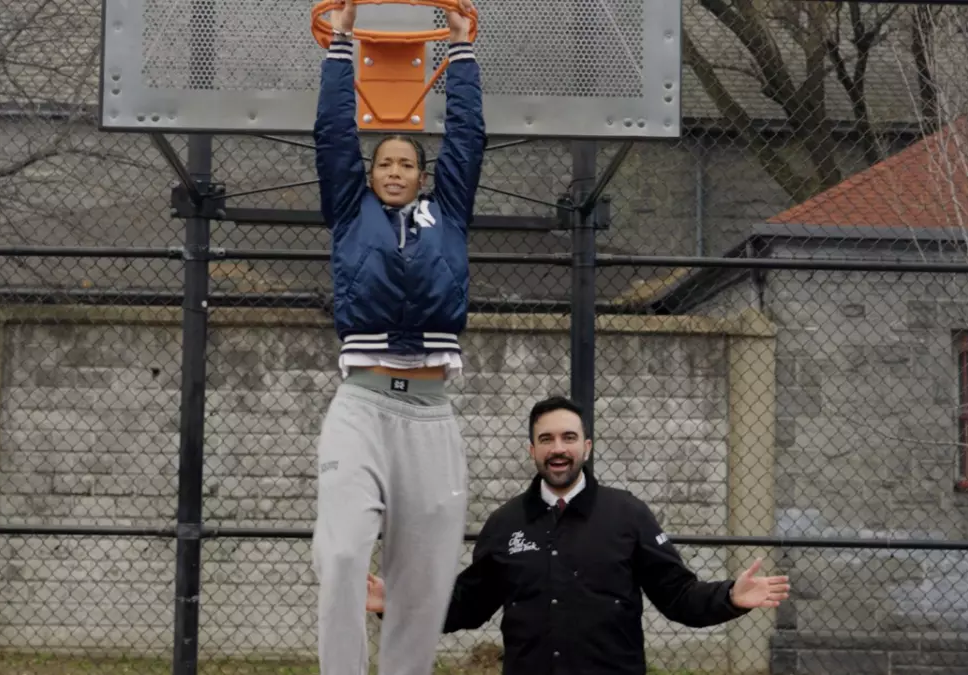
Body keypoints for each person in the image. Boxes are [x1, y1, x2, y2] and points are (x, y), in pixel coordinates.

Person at [365, 396, 791, 675]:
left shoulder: (628, 515)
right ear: (532, 450)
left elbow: (678, 596)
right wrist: (398, 603)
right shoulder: (505, 524)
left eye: (569, 438)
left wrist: (731, 596)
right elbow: (465, 606)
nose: (558, 448)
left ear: (586, 447)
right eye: (546, 439)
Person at [309, 0, 485, 674]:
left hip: (432, 413)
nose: (393, 170)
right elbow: (332, 134)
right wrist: (342, 44)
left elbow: (466, 136)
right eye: (383, 161)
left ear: (420, 174)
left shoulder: (451, 213)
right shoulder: (349, 211)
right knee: (346, 554)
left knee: (425, 581)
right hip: (362, 404)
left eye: (406, 163)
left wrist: (461, 52)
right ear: (370, 171)